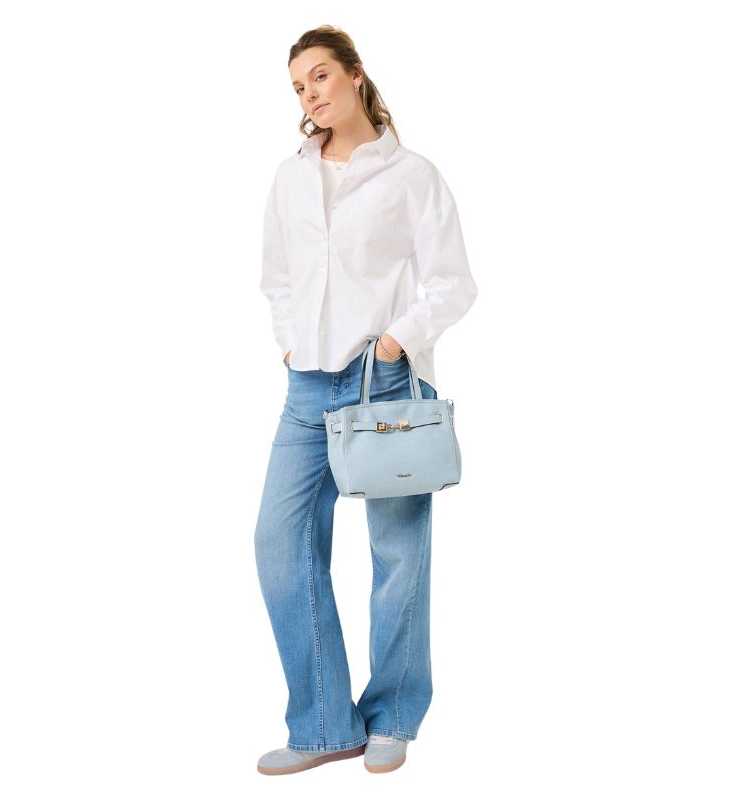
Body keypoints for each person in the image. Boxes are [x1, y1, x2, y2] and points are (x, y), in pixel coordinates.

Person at [254, 25, 478, 776]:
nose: (310, 93)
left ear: (354, 75)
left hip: (384, 383)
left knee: (397, 555)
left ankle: (393, 717)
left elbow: (453, 283)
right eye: (298, 85)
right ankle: (324, 725)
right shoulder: (290, 178)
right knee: (280, 544)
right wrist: (290, 343)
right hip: (306, 387)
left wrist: (394, 343)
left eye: (320, 75)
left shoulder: (411, 175)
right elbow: (277, 277)